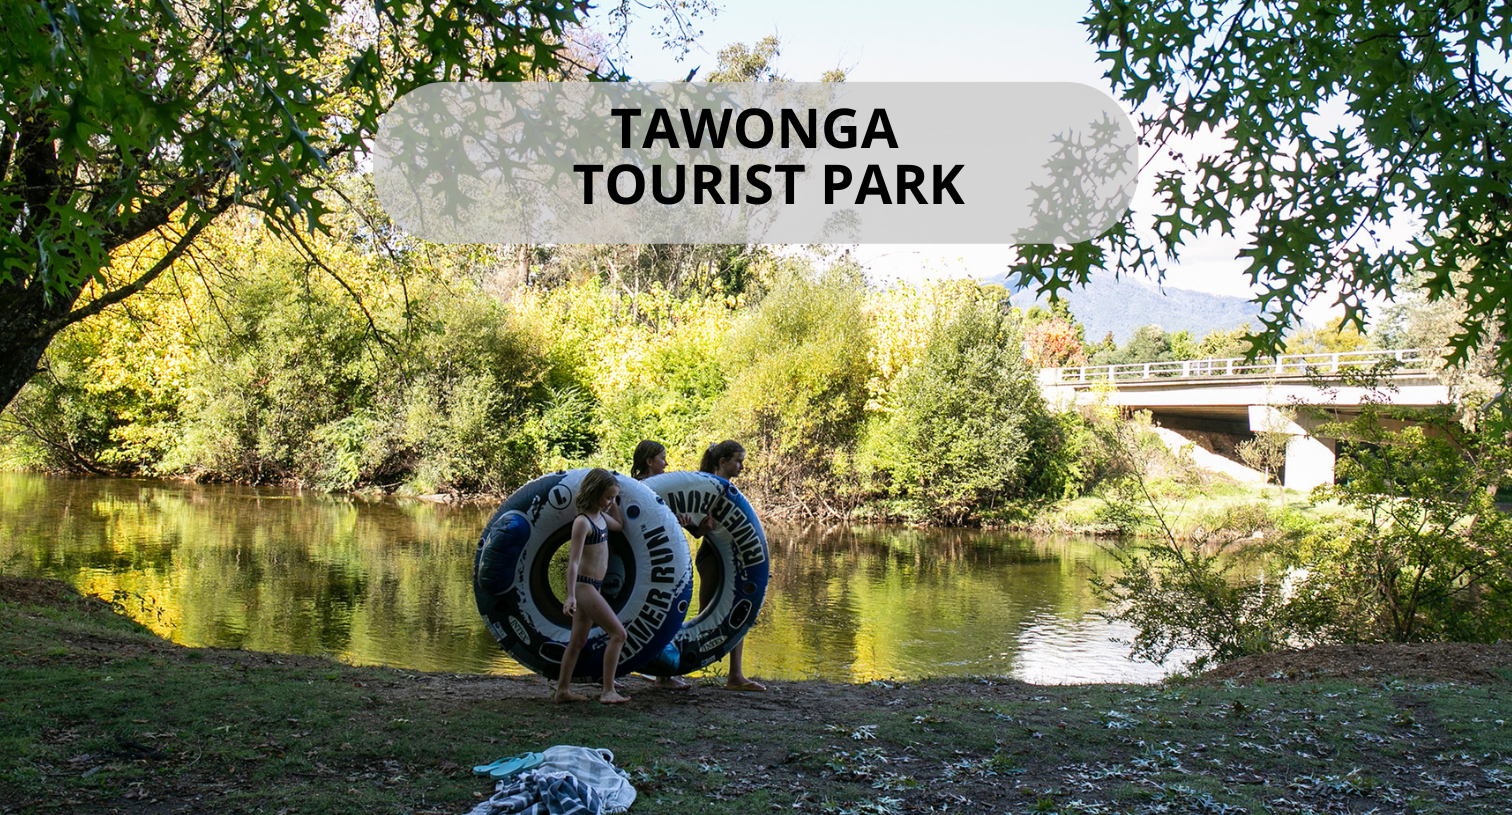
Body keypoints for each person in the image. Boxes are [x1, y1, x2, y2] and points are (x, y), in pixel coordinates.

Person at [554, 468, 631, 705]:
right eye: (607, 497)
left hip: (594, 587)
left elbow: (618, 524)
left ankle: (562, 691)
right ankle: (608, 690)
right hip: (584, 587)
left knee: (577, 642)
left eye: (613, 498)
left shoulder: (600, 517)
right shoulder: (583, 522)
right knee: (618, 633)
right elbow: (574, 562)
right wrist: (570, 596)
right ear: (594, 492)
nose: (610, 502)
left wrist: (613, 501)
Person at [631, 440, 701, 690]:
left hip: (665, 566)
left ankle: (663, 675)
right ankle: (616, 673)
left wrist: (694, 524)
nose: (666, 463)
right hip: (637, 568)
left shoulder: (669, 490)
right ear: (649, 461)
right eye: (662, 458)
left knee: (666, 616)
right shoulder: (632, 489)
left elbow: (696, 531)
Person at [699, 440, 766, 692]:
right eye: (737, 461)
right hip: (712, 557)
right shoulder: (710, 486)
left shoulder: (727, 487)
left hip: (733, 559)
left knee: (740, 612)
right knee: (706, 615)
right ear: (722, 461)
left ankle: (735, 675)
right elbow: (701, 525)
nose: (741, 466)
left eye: (742, 461)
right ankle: (665, 670)